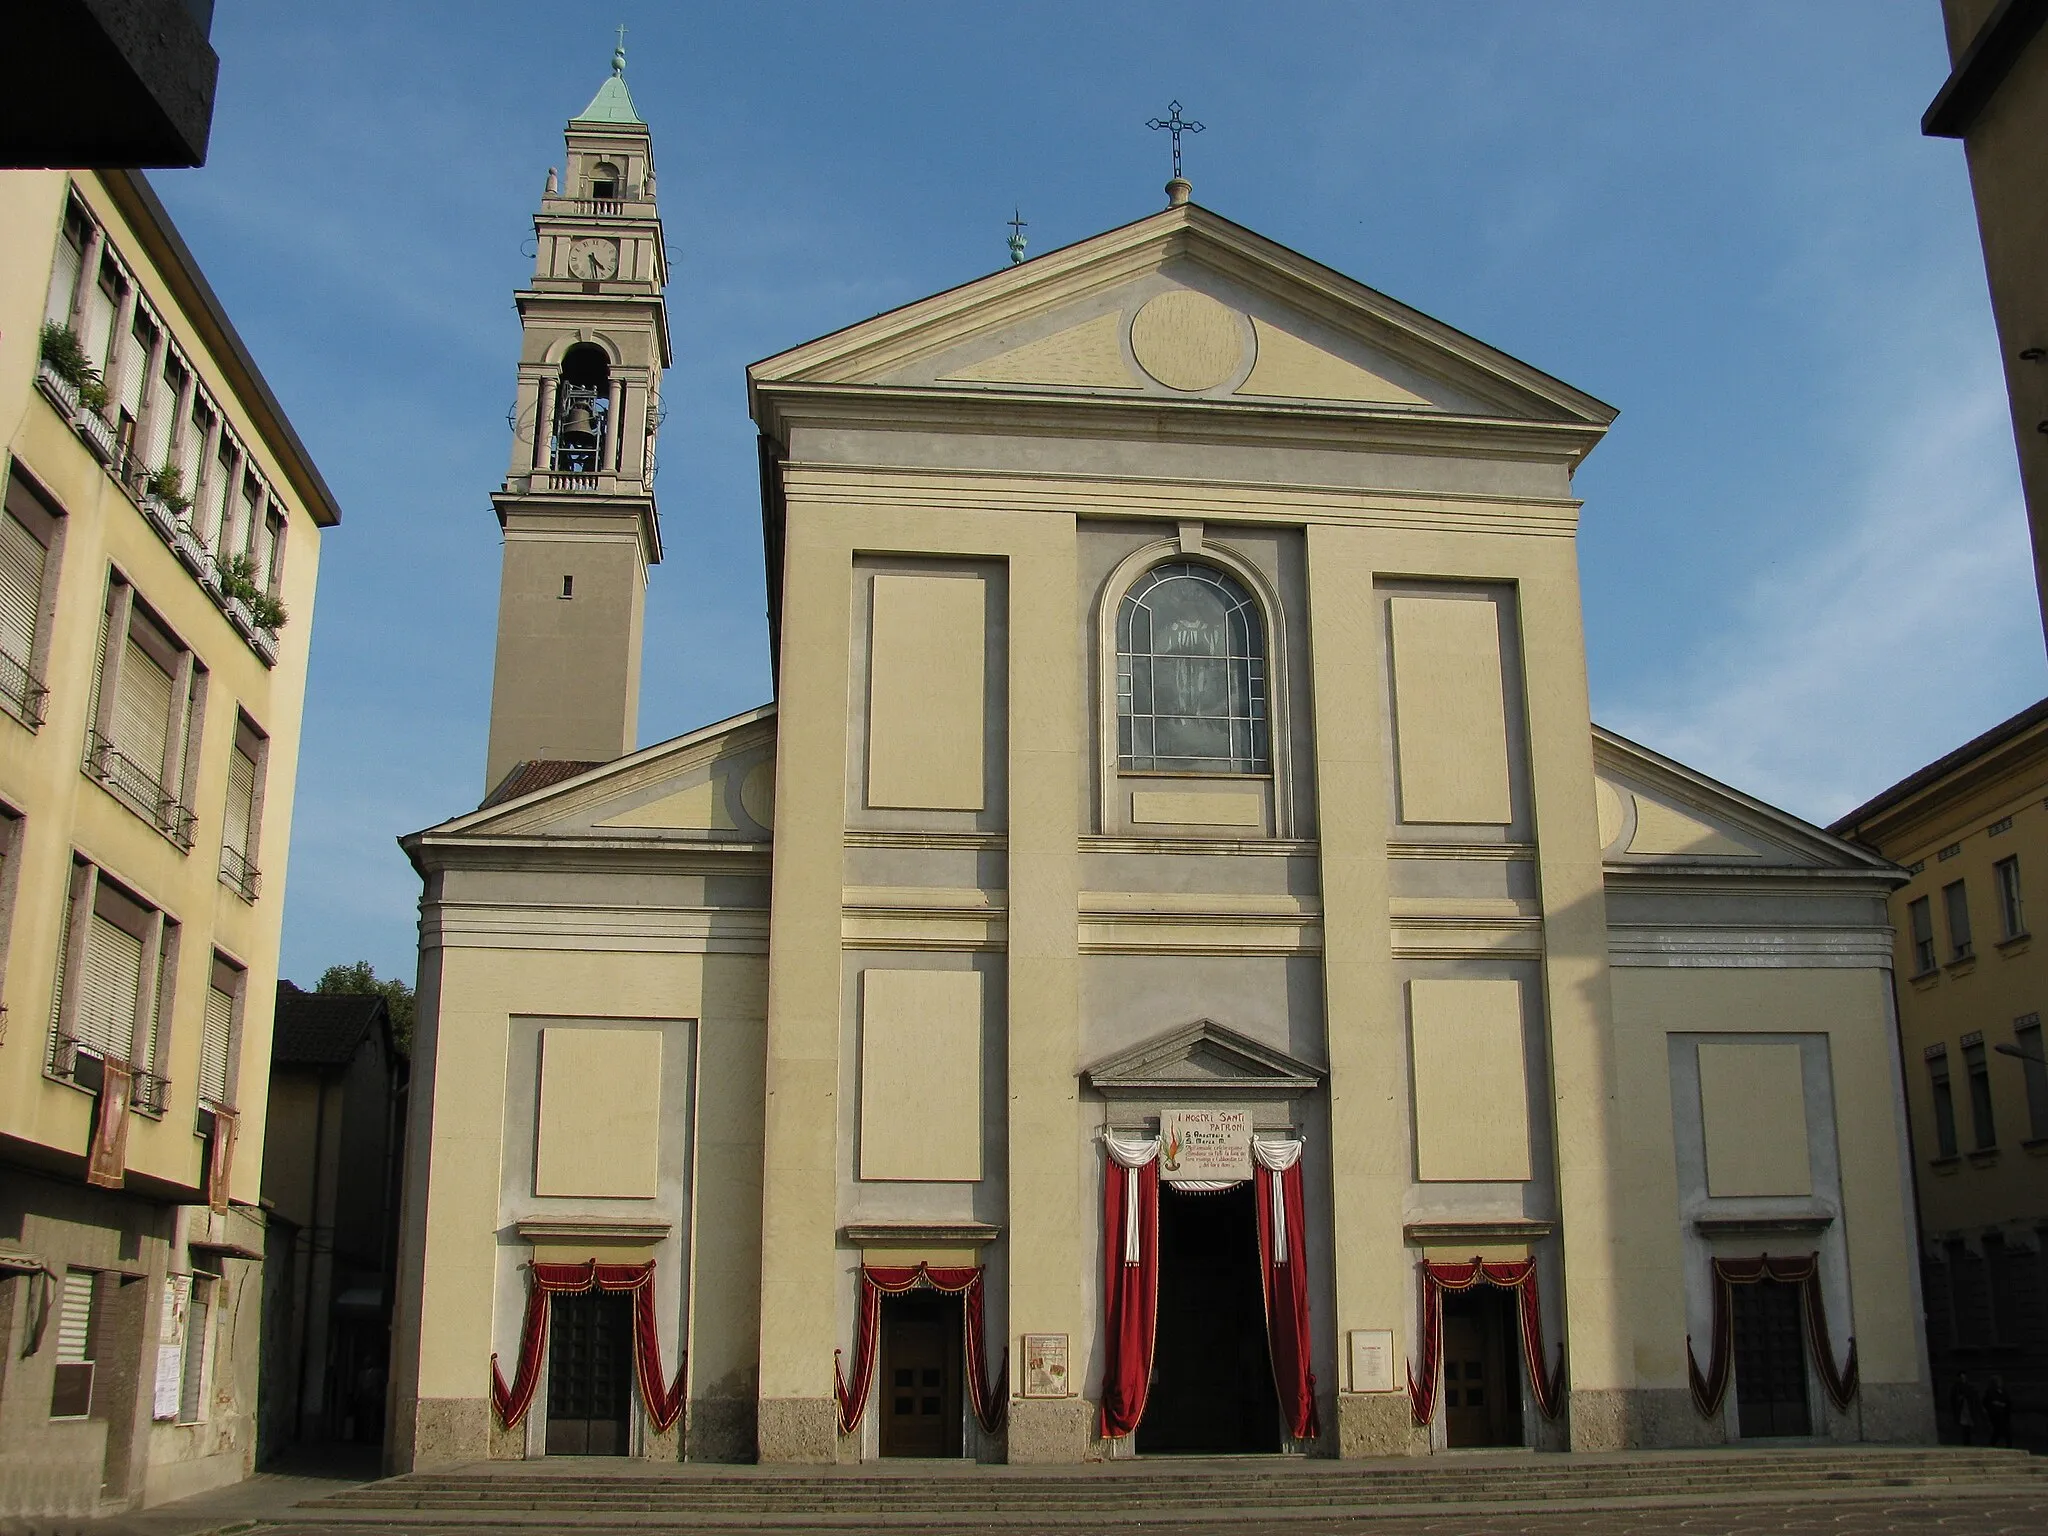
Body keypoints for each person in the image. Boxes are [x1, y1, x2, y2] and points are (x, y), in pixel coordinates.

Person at [1982, 1375, 2012, 1448]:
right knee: (1999, 1429)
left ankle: (2006, 1445)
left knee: (2004, 1430)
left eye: (2000, 1382)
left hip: (2004, 1414)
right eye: (1997, 1382)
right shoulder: (1990, 1392)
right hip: (1995, 1415)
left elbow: (2008, 1402)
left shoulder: (2004, 1392)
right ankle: (1993, 1444)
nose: (1999, 1383)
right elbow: (1987, 1402)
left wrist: (2002, 1404)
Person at [1950, 1372, 1977, 1444]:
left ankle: (1968, 1441)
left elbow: (1973, 1396)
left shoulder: (1969, 1386)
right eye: (1961, 1378)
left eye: (1964, 1378)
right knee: (1964, 1425)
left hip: (1967, 1407)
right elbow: (1954, 1398)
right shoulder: (1956, 1387)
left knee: (1968, 1425)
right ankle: (1965, 1441)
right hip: (1961, 1408)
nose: (1963, 1379)